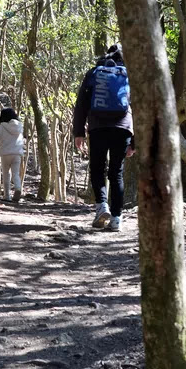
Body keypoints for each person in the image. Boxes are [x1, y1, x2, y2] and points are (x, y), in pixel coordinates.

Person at [73, 44, 135, 231]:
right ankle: (116, 218)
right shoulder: (128, 74)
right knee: (116, 173)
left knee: (98, 169)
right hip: (123, 128)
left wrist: (78, 132)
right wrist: (135, 141)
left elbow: (82, 103)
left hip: (98, 127)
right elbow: (138, 108)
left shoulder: (94, 72)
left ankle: (102, 206)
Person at [0, 108, 24, 202]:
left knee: (6, 174)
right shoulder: (20, 126)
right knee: (15, 174)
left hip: (5, 154)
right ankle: (18, 188)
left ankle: (7, 196)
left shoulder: (2, 127)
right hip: (17, 154)